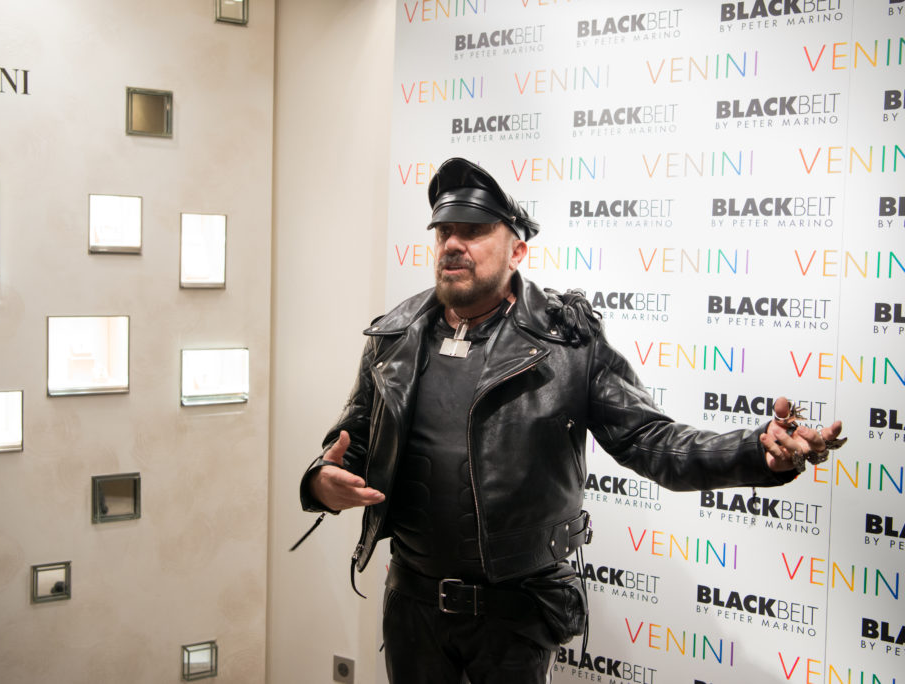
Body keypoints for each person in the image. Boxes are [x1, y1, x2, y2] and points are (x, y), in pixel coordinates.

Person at [297, 157, 844, 684]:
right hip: (413, 608)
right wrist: (322, 480)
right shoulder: (394, 337)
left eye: (474, 231)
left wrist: (753, 449)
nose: (453, 244)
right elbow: (353, 440)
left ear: (517, 250)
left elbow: (650, 440)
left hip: (517, 614)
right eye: (443, 232)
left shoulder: (567, 344)